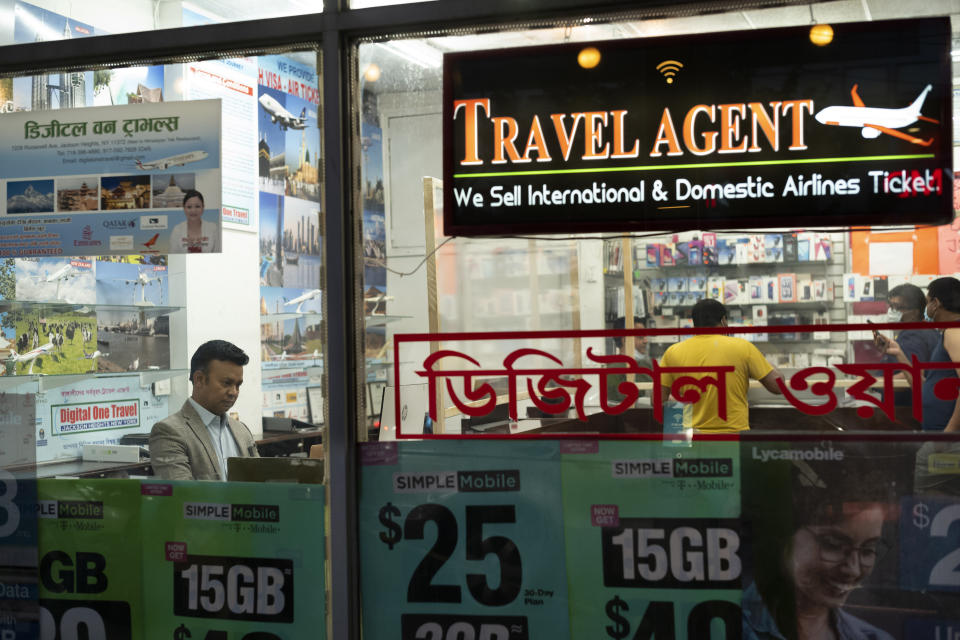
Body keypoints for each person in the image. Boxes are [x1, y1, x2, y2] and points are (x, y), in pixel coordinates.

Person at [743, 458, 895, 640]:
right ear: (781, 534)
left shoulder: (874, 638)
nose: (853, 569)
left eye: (868, 550)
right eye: (833, 545)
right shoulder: (725, 627)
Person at [659, 298, 782, 432]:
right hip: (733, 437)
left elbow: (658, 400)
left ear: (694, 323)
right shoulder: (743, 348)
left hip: (692, 438)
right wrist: (762, 362)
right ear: (723, 320)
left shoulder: (673, 352)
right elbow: (777, 386)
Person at [150, 340, 258, 480]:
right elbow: (182, 494)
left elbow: (259, 483)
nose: (234, 392)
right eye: (227, 383)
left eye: (238, 385)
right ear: (199, 379)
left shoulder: (241, 430)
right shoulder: (169, 432)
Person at [882, 277, 960, 431]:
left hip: (947, 439)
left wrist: (948, 433)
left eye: (927, 301)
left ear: (936, 304)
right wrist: (898, 353)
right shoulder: (945, 333)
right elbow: (926, 387)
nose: (925, 307)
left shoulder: (954, 332)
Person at [873, 283, 938, 407]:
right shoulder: (925, 331)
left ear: (914, 313)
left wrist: (873, 382)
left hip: (907, 411)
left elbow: (910, 375)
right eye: (890, 306)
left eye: (897, 307)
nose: (891, 312)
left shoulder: (913, 336)